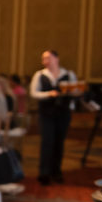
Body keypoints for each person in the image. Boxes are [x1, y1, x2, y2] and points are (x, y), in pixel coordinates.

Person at [29, 49, 80, 185]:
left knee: (59, 142)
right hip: (46, 113)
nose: (45, 61)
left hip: (63, 113)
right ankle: (44, 172)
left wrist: (71, 93)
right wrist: (48, 94)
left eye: (48, 58)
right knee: (47, 142)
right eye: (43, 59)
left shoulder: (68, 74)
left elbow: (76, 92)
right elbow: (34, 93)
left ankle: (56, 171)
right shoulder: (40, 75)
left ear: (56, 59)